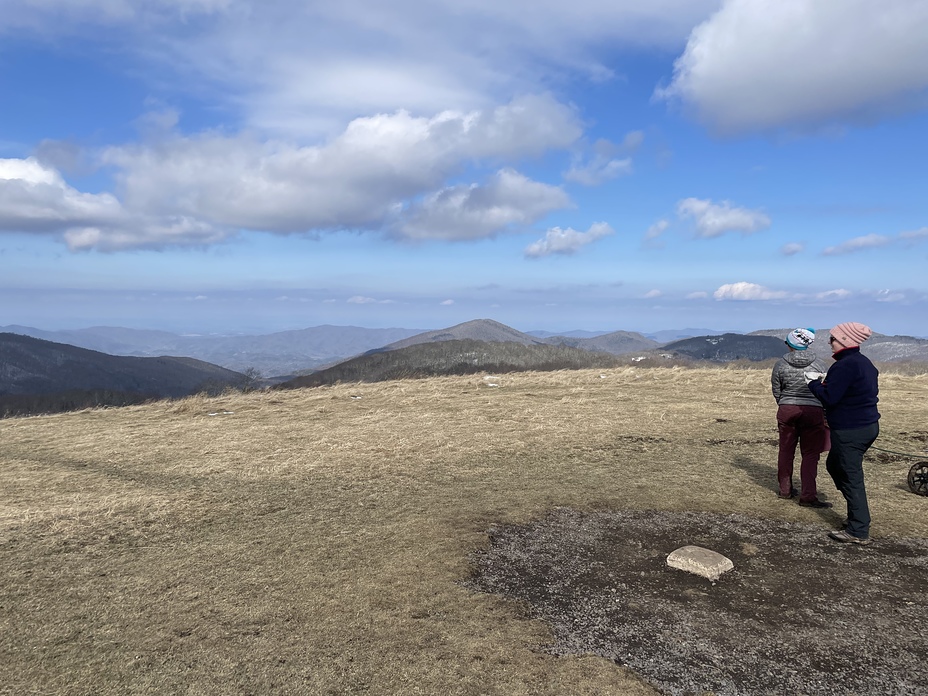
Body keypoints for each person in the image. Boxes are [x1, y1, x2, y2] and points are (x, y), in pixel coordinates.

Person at [806, 322, 880, 545]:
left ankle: (858, 529)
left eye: (833, 339)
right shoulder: (863, 363)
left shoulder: (845, 365)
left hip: (851, 430)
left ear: (846, 340)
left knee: (850, 475)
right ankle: (857, 518)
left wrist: (812, 384)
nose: (830, 343)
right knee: (836, 467)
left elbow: (829, 397)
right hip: (865, 426)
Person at [770, 328, 831, 507]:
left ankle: (785, 489)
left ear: (790, 345)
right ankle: (808, 495)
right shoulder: (820, 365)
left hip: (787, 409)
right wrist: (824, 414)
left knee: (786, 450)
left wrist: (784, 403)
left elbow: (776, 389)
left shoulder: (780, 364)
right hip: (813, 411)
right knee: (810, 454)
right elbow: (826, 390)